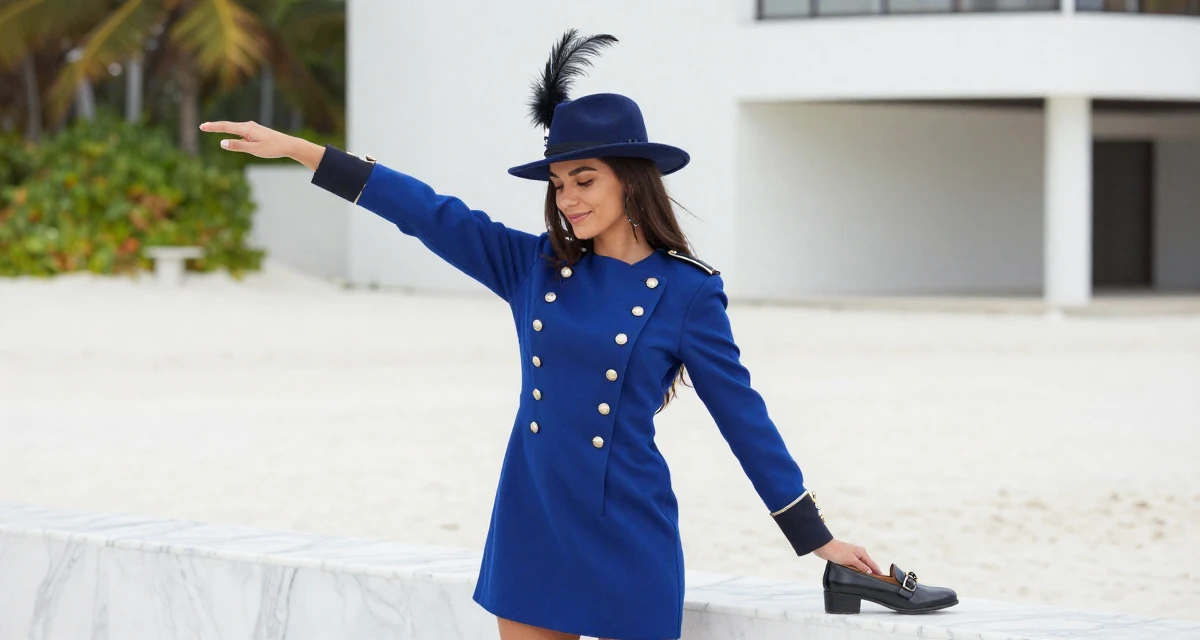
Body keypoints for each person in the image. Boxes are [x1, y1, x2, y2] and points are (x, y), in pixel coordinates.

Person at [201, 29, 955, 640]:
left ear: (630, 178)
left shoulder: (688, 292)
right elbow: (427, 211)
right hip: (531, 518)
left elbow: (743, 418)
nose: (567, 200)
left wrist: (816, 536)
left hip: (629, 530)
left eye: (583, 180)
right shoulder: (530, 266)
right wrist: (305, 152)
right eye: (559, 185)